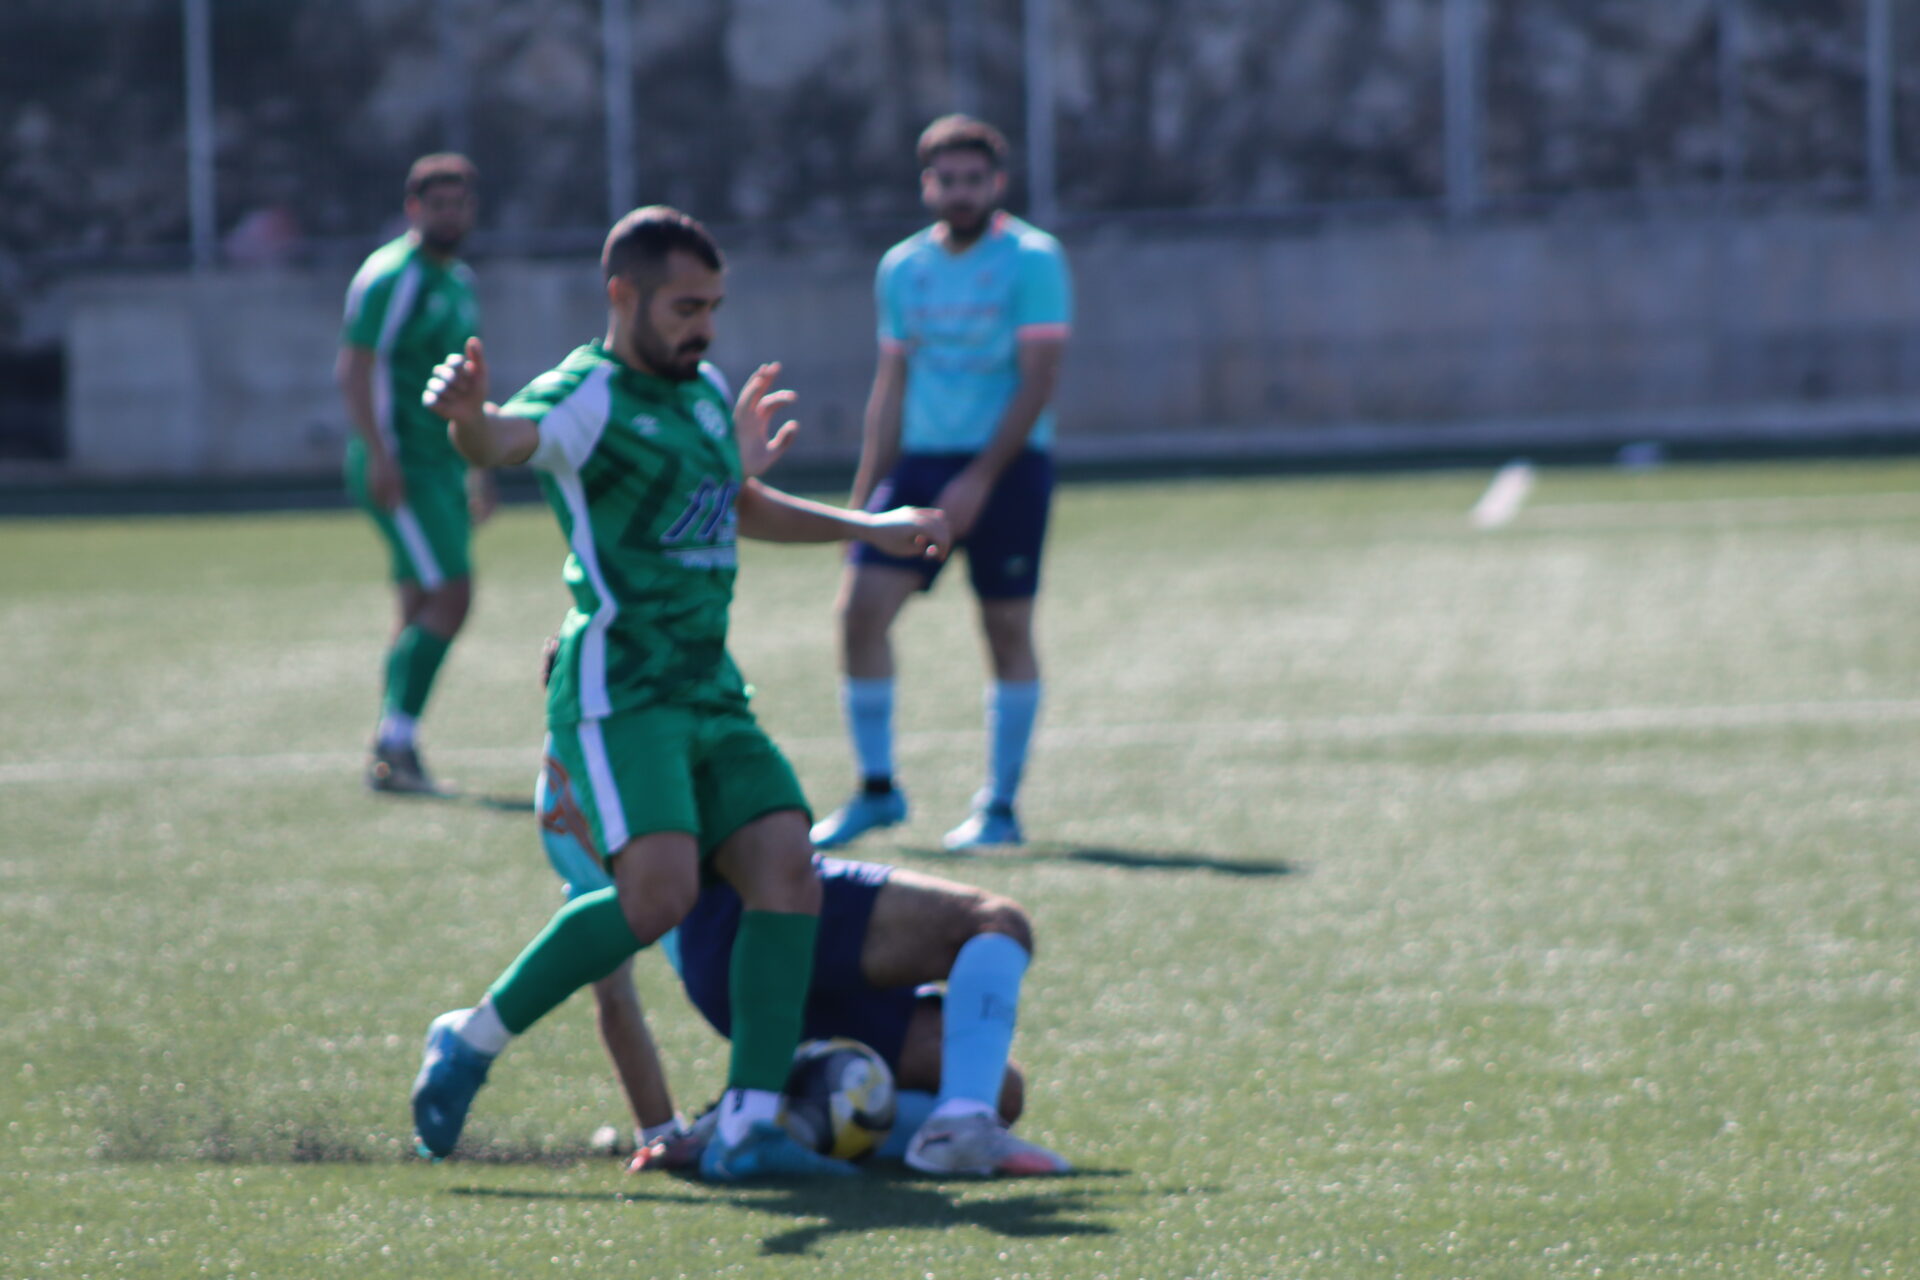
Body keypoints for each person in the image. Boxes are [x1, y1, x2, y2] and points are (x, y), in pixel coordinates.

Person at [411, 205, 952, 1182]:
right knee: (659, 896)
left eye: (713, 306)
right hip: (624, 691)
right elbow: (503, 441)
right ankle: (471, 1036)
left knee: (787, 865)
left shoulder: (700, 393)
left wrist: (868, 527)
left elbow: (736, 504)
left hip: (710, 686)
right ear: (623, 296)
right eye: (685, 307)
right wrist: (468, 420)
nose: (704, 326)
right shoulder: (587, 394)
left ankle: (749, 1125)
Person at [536, 734, 1070, 1177]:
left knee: (1001, 1090)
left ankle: (768, 1122)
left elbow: (612, 991)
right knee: (994, 921)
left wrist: (660, 1132)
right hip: (768, 909)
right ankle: (958, 1129)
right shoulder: (636, 714)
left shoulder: (563, 790)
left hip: (723, 979)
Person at [812, 114, 1073, 854]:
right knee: (860, 613)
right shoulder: (903, 268)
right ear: (927, 185)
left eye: (973, 180)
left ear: (997, 184)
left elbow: (1039, 379)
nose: (960, 192)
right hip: (920, 467)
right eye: (947, 180)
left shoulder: (1033, 259)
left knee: (1005, 628)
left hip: (1009, 466)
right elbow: (890, 383)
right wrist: (863, 501)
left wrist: (980, 478)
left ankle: (1001, 808)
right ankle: (876, 790)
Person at [336, 153, 494, 794]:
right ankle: (394, 743)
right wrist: (379, 454)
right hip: (403, 464)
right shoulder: (389, 277)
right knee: (453, 593)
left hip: (444, 465)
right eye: (438, 204)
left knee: (418, 602)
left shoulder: (459, 281)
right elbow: (356, 368)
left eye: (460, 204)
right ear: (413, 209)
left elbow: (468, 383)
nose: (450, 215)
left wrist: (480, 465)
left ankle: (393, 746)